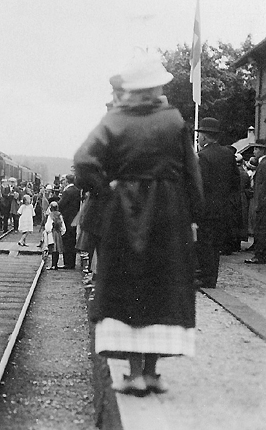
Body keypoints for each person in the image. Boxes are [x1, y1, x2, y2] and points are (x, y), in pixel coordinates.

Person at [74, 49, 203, 395]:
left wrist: (106, 188)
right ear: (156, 87)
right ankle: (152, 374)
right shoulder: (174, 121)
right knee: (162, 286)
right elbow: (192, 174)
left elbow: (83, 161)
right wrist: (195, 215)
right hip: (169, 213)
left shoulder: (115, 121)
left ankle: (133, 375)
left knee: (127, 286)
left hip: (123, 212)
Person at [194, 117, 240, 287]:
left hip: (206, 208)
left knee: (204, 243)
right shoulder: (228, 154)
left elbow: (200, 185)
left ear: (204, 136)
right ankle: (211, 276)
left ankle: (205, 277)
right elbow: (235, 182)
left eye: (199, 136)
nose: (198, 139)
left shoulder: (203, 157)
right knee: (215, 245)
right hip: (223, 207)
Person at [246, 140, 266, 264]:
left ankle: (259, 255)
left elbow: (262, 186)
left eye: (256, 149)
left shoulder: (263, 164)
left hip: (262, 203)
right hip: (261, 201)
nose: (254, 151)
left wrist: (260, 202)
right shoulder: (262, 163)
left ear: (263, 150)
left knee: (261, 229)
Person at [42, 201, 65, 270]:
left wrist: (47, 231)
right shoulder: (60, 215)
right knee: (57, 249)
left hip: (52, 233)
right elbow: (63, 225)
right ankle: (56, 264)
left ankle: (53, 265)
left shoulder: (51, 215)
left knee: (53, 249)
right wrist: (62, 232)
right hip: (58, 233)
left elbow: (48, 226)